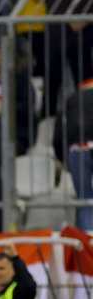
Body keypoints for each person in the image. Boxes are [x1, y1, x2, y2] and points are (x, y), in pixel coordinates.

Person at [54, 79, 93, 230]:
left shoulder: (71, 100)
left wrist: (61, 157)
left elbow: (58, 133)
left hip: (78, 150)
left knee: (85, 200)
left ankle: (88, 243)